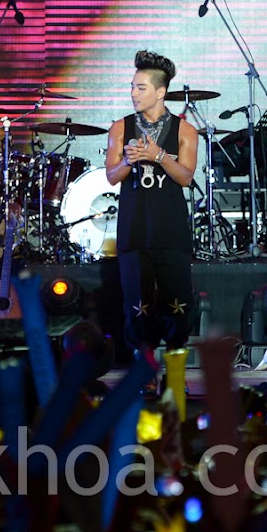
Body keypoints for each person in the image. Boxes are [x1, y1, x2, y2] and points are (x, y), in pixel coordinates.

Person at [105, 50, 198, 359]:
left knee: (178, 303)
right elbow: (111, 177)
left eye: (140, 87)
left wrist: (158, 156)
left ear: (160, 92)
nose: (133, 93)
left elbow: (186, 177)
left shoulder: (186, 131)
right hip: (134, 228)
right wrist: (129, 161)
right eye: (132, 87)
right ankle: (142, 370)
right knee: (136, 305)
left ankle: (175, 368)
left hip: (171, 228)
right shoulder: (121, 128)